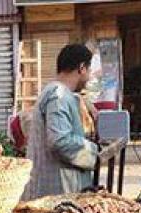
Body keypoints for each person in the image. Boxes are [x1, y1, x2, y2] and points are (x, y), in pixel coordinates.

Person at [23, 44, 99, 200]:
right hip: (54, 196)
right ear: (82, 68)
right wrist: (93, 150)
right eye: (89, 71)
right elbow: (60, 141)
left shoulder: (60, 93)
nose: (90, 77)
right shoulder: (58, 95)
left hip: (54, 193)